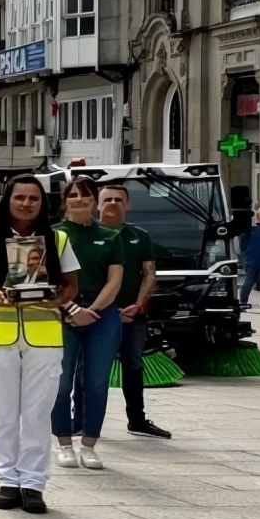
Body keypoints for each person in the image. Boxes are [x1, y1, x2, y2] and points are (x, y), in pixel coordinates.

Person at [0, 175, 80, 515]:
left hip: (43, 337)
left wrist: (53, 300)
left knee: (36, 413)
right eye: (20, 198)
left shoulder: (57, 239)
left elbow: (71, 285)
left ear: (42, 203)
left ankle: (32, 483)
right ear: (8, 201)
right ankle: (7, 479)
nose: (26, 204)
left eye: (33, 198)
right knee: (4, 413)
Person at [51, 176, 123, 471]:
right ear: (65, 200)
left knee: (95, 382)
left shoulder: (109, 236)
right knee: (61, 380)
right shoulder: (53, 235)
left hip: (101, 314)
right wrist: (70, 307)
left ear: (96, 201)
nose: (79, 200)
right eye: (73, 195)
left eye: (86, 195)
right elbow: (46, 279)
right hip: (61, 312)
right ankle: (64, 442)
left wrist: (91, 309)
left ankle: (89, 443)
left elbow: (115, 279)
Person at [97, 184, 169, 438]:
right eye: (107, 199)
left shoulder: (140, 236)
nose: (113, 203)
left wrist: (138, 304)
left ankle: (137, 420)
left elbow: (149, 273)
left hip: (132, 316)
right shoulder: (87, 236)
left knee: (134, 366)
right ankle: (85, 422)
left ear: (128, 205)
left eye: (119, 199)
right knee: (93, 370)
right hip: (97, 317)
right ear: (98, 204)